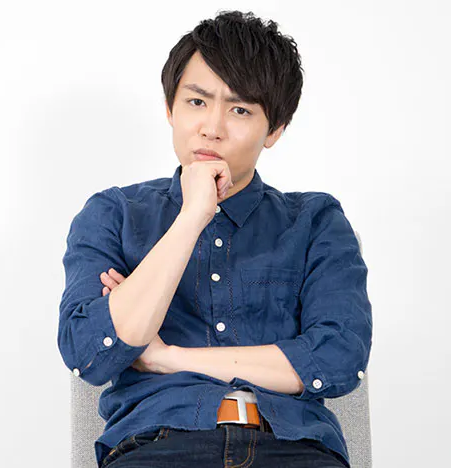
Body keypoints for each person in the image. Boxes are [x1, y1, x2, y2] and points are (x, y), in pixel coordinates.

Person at [57, 10, 372, 468]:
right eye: (196, 102)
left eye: (240, 110)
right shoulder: (114, 213)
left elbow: (339, 358)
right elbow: (89, 353)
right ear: (170, 109)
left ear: (275, 130)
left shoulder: (315, 221)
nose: (212, 127)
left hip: (295, 448)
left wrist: (167, 357)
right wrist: (192, 216)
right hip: (157, 445)